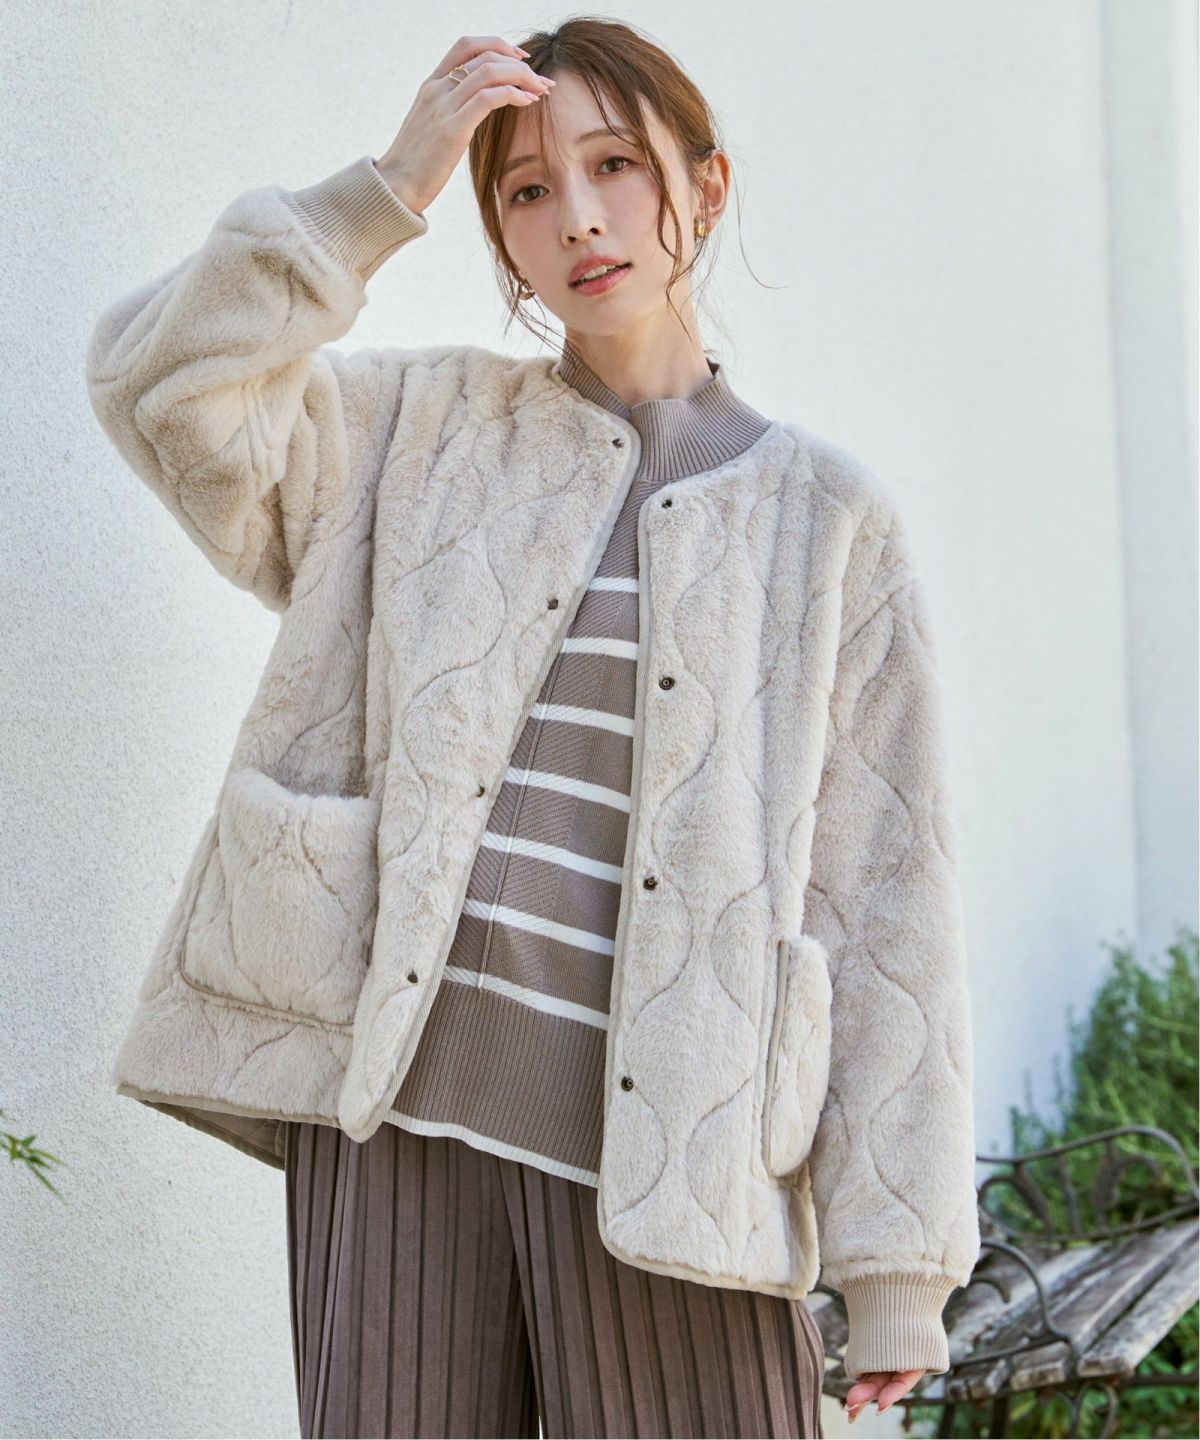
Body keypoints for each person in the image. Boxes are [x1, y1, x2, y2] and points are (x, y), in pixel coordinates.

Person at [85, 17, 980, 1440]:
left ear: (705, 185)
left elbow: (885, 902)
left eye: (616, 165)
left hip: (682, 1166)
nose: (579, 217)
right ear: (497, 233)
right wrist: (385, 189)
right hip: (397, 1137)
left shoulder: (827, 521)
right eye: (525, 188)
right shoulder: (409, 430)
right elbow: (161, 387)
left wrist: (896, 1266)